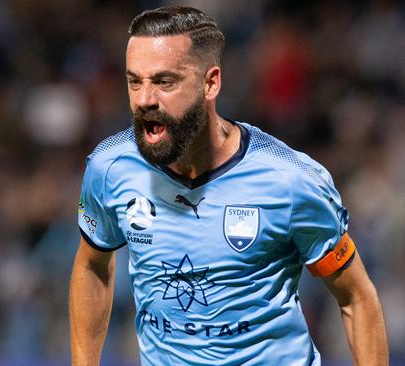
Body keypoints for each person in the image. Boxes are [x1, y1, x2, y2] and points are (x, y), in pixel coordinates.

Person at [70, 6, 388, 365]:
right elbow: (92, 267)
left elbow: (356, 298)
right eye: (134, 81)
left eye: (164, 81)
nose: (144, 99)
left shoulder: (289, 180)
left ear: (211, 82)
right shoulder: (111, 166)